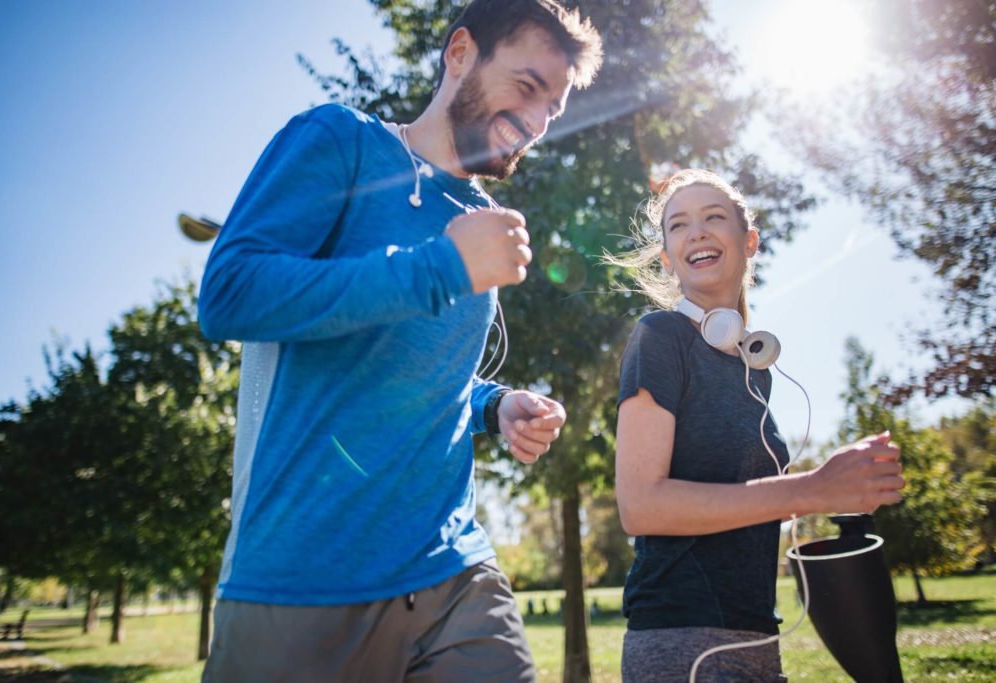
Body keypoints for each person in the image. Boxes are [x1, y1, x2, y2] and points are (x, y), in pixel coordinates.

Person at [197, 1, 603, 681]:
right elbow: (230, 293)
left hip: (452, 569)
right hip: (304, 576)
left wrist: (492, 405)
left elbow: (413, 371)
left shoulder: (481, 219)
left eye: (552, 110)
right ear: (460, 53)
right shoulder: (341, 140)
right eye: (527, 88)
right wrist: (437, 267)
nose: (536, 122)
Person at [612, 169, 905, 682]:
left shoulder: (750, 367)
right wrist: (811, 489)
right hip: (683, 642)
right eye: (679, 225)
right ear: (667, 257)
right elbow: (640, 506)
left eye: (713, 217)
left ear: (749, 242)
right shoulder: (660, 337)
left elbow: (749, 495)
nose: (696, 232)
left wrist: (841, 484)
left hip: (755, 639)